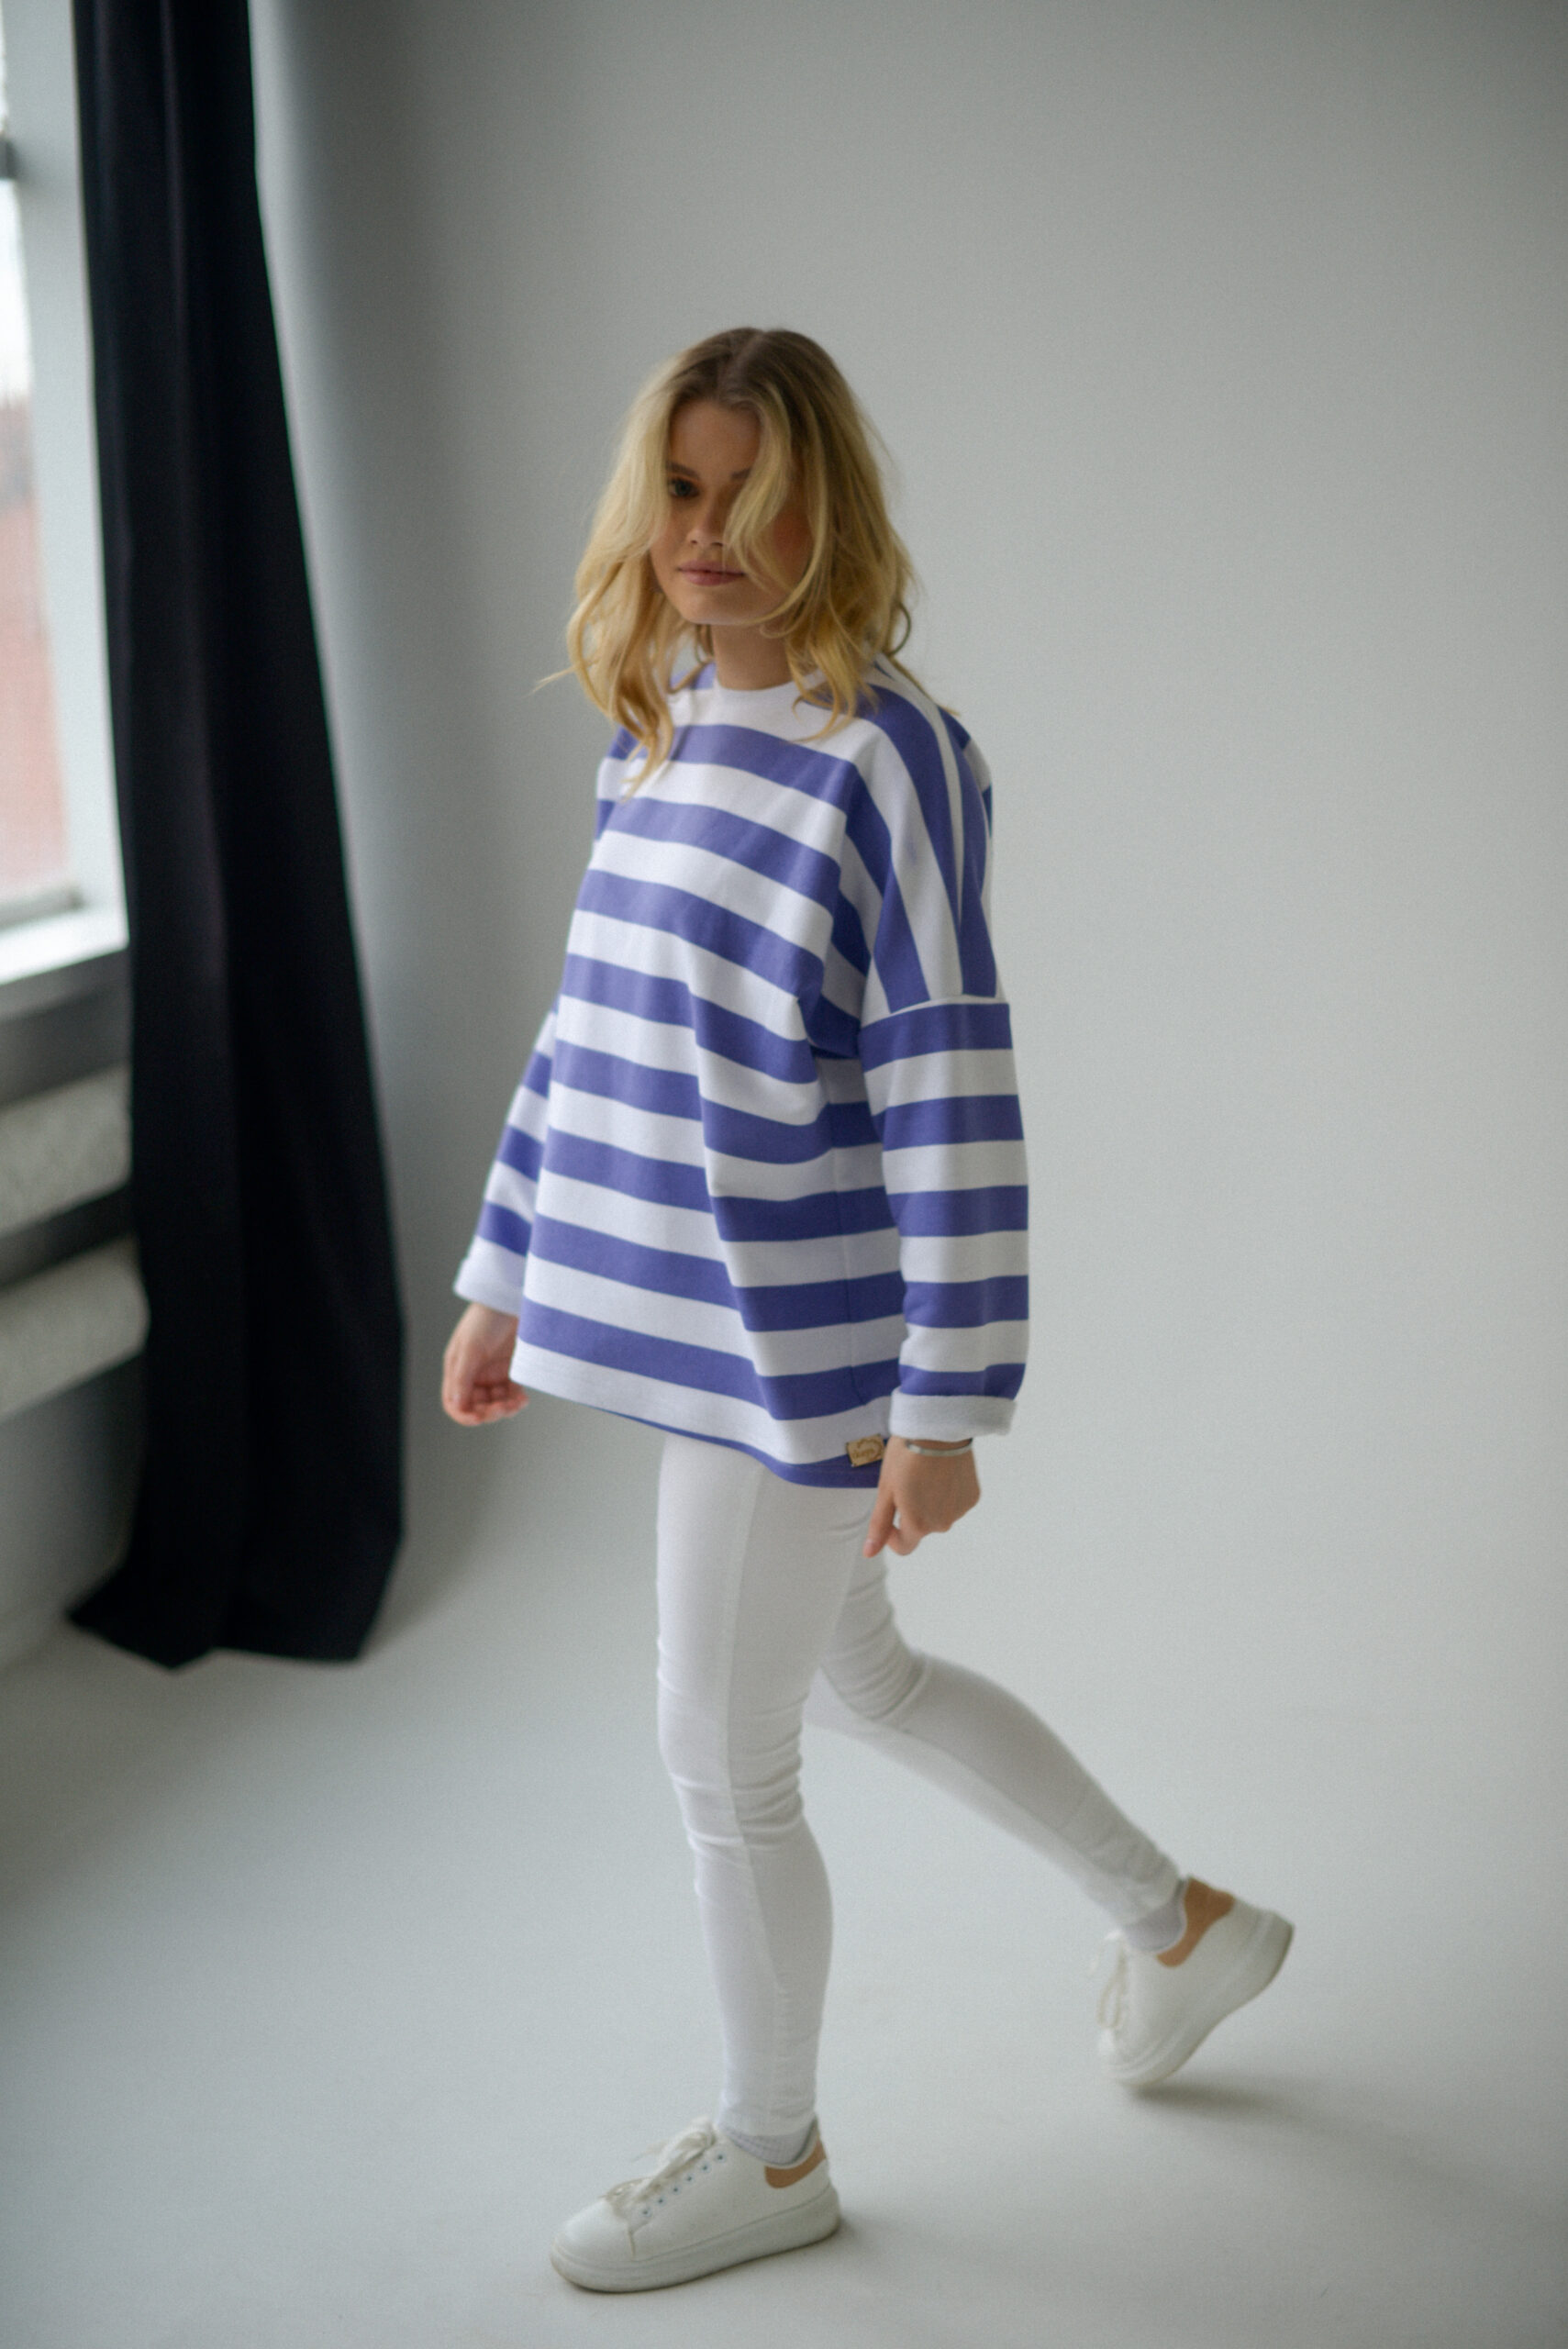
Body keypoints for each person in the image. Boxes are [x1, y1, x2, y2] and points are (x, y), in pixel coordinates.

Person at [442, 328, 1291, 2294]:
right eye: (680, 488)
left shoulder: (890, 756)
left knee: (719, 1756)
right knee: (861, 1681)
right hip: (690, 1330)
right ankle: (1181, 1927)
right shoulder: (651, 727)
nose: (707, 531)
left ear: (825, 509)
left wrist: (945, 1399)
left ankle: (774, 2152)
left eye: (750, 494)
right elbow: (586, 1036)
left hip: (801, 1354)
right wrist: (503, 1271)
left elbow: (945, 1077)